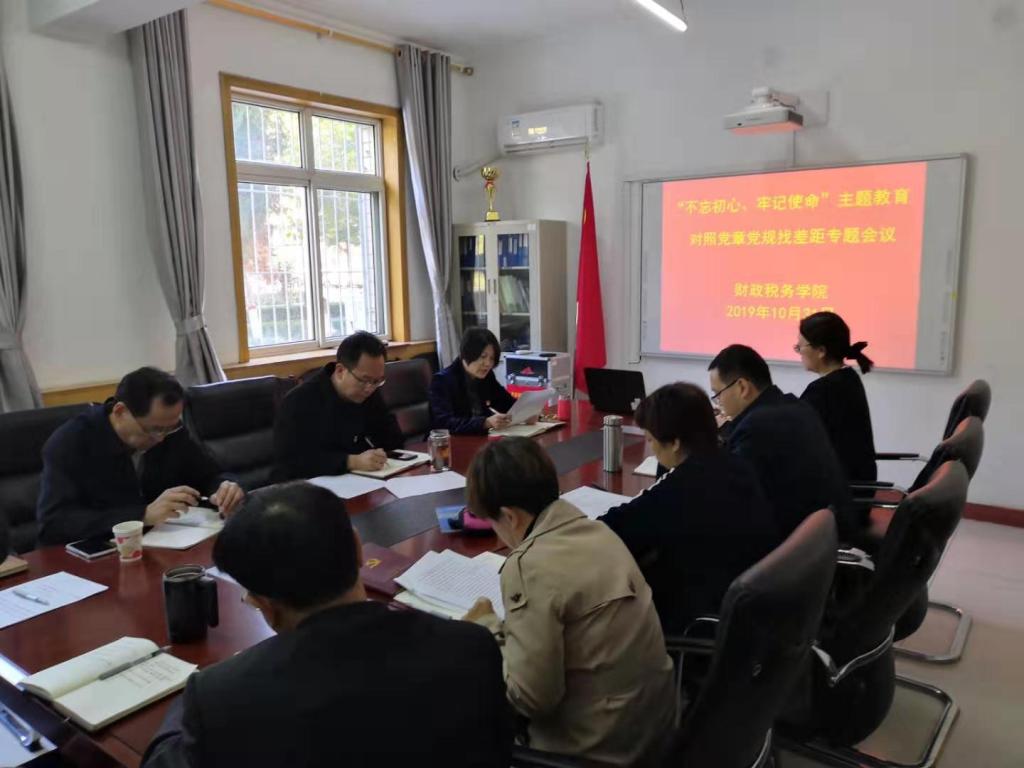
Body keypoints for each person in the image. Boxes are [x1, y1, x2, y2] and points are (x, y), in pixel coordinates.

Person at [141, 482, 511, 768]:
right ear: (358, 548)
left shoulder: (222, 698)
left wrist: (199, 692)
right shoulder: (471, 647)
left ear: (262, 602)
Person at [463, 438, 675, 767]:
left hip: (595, 753)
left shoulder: (529, 566)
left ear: (509, 516)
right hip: (655, 732)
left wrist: (486, 628)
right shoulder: (598, 532)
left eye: (493, 523)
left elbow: (531, 699)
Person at [600, 383, 780, 634]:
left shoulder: (681, 490)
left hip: (698, 621)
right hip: (749, 610)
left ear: (675, 442)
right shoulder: (736, 464)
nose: (651, 448)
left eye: (650, 439)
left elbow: (610, 531)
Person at [37, 367, 243, 546]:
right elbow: (55, 524)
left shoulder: (172, 431)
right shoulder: (72, 442)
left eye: (170, 428)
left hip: (163, 546)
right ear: (120, 412)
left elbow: (210, 474)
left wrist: (225, 488)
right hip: (96, 554)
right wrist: (142, 516)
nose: (161, 439)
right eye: (154, 430)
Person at [708, 345, 850, 538]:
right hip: (824, 532)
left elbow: (730, 495)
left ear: (742, 387)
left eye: (718, 395)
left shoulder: (756, 427)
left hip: (791, 542)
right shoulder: (794, 406)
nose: (719, 403)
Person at [272, 331, 404, 481]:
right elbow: (293, 462)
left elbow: (393, 440)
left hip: (357, 481)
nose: (370, 388)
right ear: (340, 371)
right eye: (364, 380)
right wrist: (351, 461)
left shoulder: (368, 392)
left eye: (377, 381)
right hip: (303, 488)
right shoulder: (299, 401)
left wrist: (379, 453)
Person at [796, 311, 878, 482]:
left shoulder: (824, 390)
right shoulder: (848, 378)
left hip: (837, 491)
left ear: (821, 351)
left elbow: (796, 434)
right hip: (850, 486)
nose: (799, 351)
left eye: (800, 346)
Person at [429, 327, 516, 434]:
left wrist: (525, 413)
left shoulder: (487, 376)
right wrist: (485, 423)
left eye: (492, 358)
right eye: (483, 357)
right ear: (467, 354)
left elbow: (505, 402)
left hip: (480, 437)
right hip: (452, 440)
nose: (488, 364)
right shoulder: (442, 381)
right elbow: (444, 423)